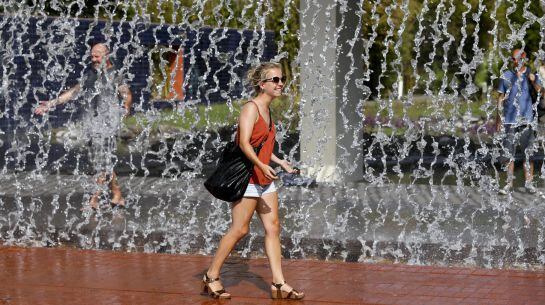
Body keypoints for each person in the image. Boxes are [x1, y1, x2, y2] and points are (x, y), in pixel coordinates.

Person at [201, 62, 304, 300]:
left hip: (263, 176)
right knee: (240, 229)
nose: (280, 84)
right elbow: (244, 143)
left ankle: (278, 283)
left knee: (273, 226)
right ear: (262, 84)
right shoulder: (251, 108)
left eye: (282, 79)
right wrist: (261, 165)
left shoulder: (268, 110)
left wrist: (280, 162)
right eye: (275, 80)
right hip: (247, 176)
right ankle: (211, 275)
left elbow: (263, 143)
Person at [34, 42, 132, 209]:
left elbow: (126, 94)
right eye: (92, 55)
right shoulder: (90, 73)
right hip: (94, 124)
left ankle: (93, 200)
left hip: (107, 125)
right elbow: (74, 92)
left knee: (101, 163)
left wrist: (126, 106)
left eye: (97, 56)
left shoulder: (116, 74)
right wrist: (50, 104)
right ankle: (117, 195)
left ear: (106, 56)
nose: (93, 59)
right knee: (103, 162)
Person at [496, 49, 540, 195]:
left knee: (529, 154)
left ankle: (528, 183)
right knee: (508, 154)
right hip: (509, 120)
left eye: (519, 58)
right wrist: (498, 118)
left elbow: (540, 92)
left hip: (527, 119)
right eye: (514, 58)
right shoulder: (506, 75)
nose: (516, 61)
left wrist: (534, 81)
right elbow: (500, 97)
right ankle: (509, 184)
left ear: (524, 58)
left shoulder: (531, 74)